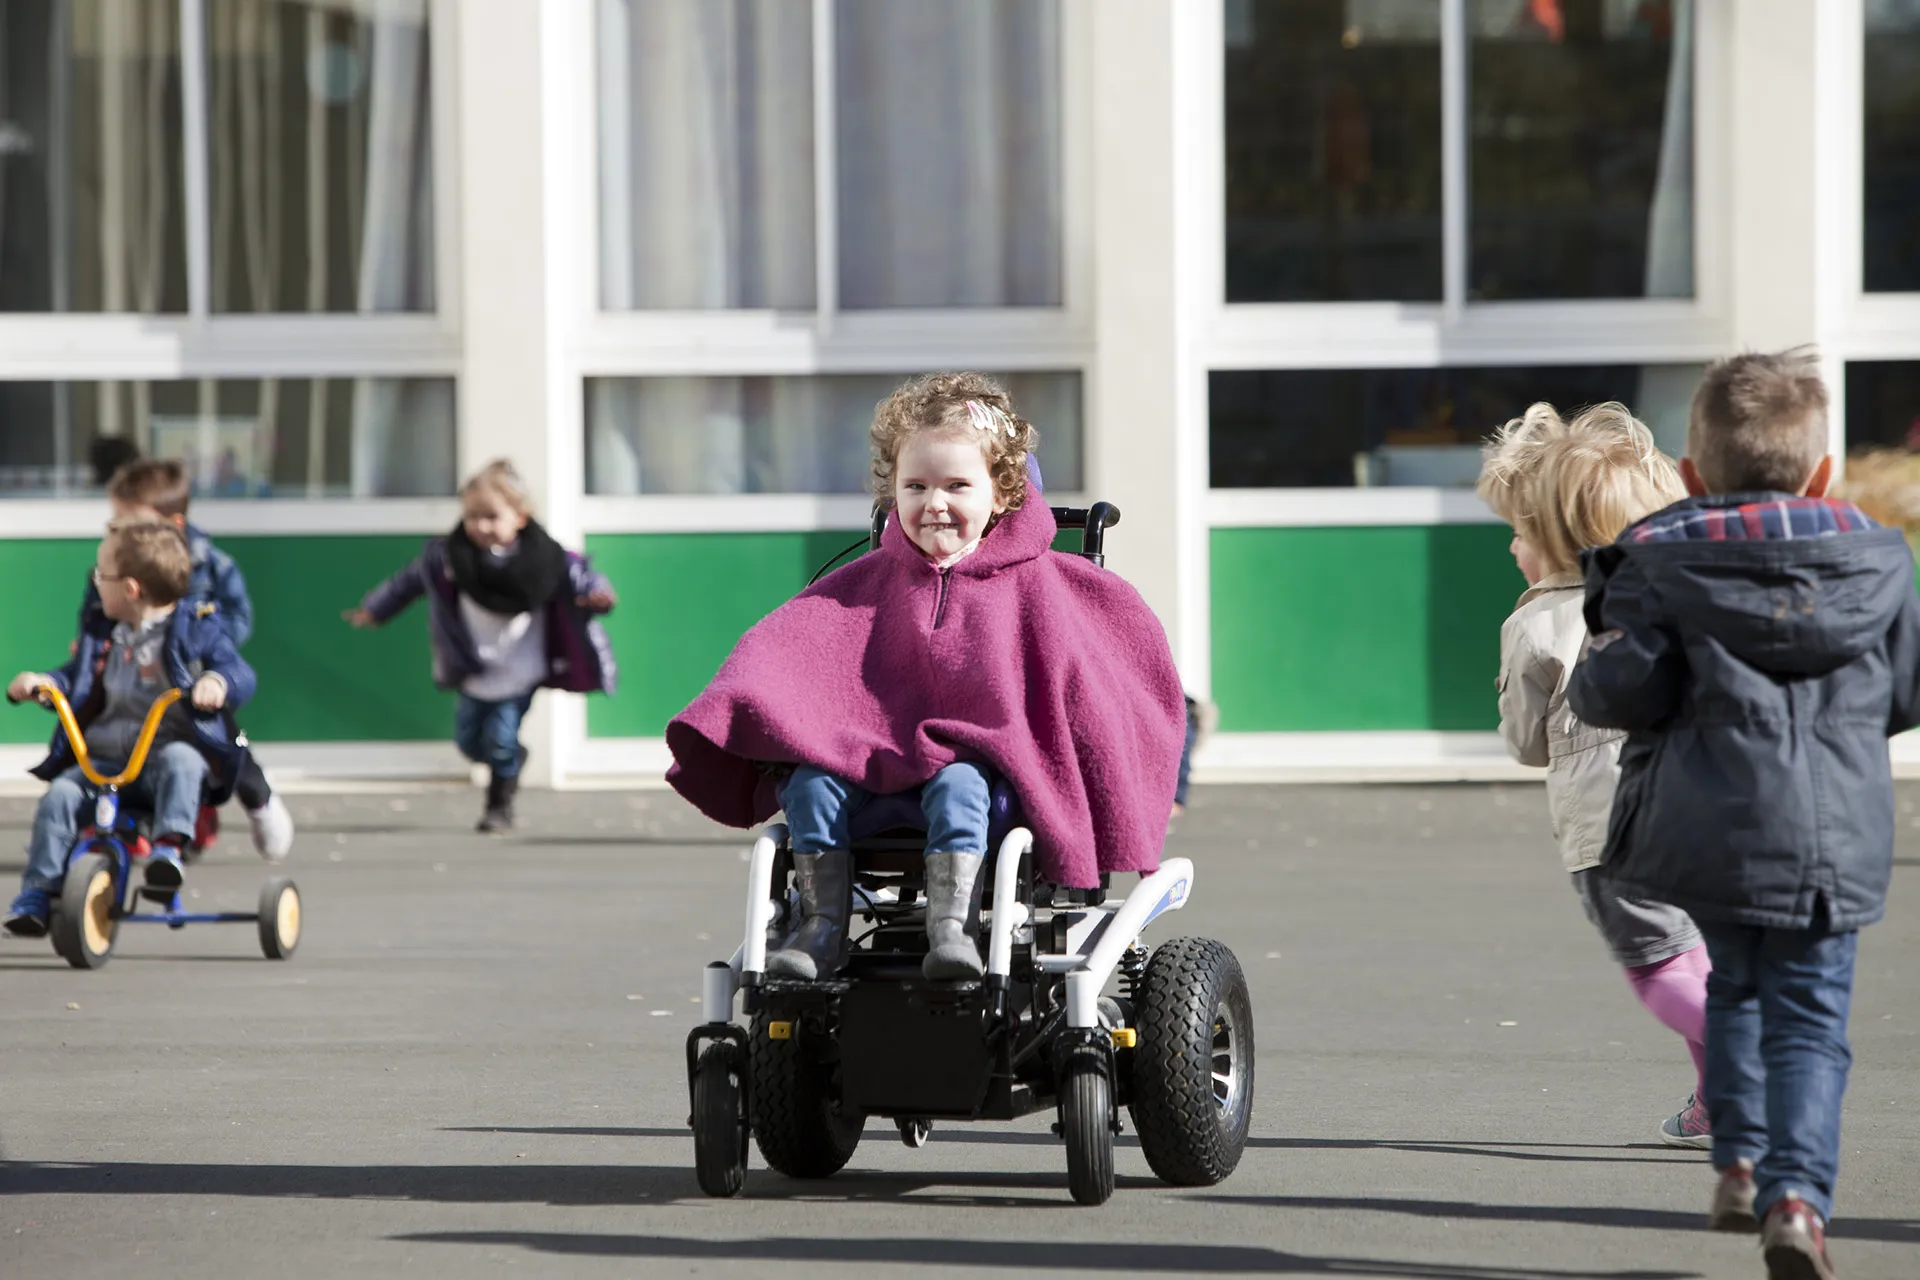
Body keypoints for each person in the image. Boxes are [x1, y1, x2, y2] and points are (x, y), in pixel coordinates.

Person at [1569, 348, 1920, 1280]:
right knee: (1810, 1018)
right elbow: (1907, 692)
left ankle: (1734, 1160)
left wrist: (1599, 641)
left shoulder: (1658, 560)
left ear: (1689, 474)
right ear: (1822, 472)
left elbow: (1620, 692)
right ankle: (1795, 1199)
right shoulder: (1876, 558)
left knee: (1732, 988)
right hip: (1832, 836)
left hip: (1705, 827)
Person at [664, 372, 1186, 982]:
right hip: (871, 765)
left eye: (957, 485)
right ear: (893, 493)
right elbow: (789, 649)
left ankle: (952, 929)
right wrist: (745, 704)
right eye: (915, 486)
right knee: (808, 783)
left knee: (959, 783)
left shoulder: (1036, 586)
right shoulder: (866, 584)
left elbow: (1099, 670)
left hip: (983, 775)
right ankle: (822, 928)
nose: (934, 502)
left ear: (1003, 493)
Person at [1479, 401, 1710, 1147]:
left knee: (1656, 968)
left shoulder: (1536, 624)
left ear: (1555, 541)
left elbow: (1525, 744)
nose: (1512, 546)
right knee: (1694, 955)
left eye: (1519, 532)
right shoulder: (1670, 598)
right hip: (1698, 806)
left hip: (1608, 829)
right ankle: (1722, 1098)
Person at [4, 520, 255, 936]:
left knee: (183, 759)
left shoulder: (196, 627)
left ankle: (168, 850)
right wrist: (45, 684)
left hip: (157, 764)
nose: (95, 583)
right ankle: (38, 891)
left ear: (131, 589)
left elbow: (238, 670)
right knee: (61, 795)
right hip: (102, 760)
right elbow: (77, 677)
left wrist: (217, 682)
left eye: (101, 575)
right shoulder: (104, 634)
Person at [345, 460, 618, 833]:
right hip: (474, 668)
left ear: (520, 517)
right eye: (472, 516)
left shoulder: (545, 558)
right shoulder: (449, 558)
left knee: (501, 738)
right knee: (469, 743)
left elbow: (582, 574)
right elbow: (409, 582)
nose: (481, 526)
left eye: (492, 516)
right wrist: (376, 609)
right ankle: (512, 760)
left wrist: (598, 594)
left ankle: (499, 806)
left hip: (521, 668)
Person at [89, 459, 293, 860]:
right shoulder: (113, 567)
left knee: (223, 744)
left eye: (132, 523)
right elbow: (95, 616)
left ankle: (259, 798)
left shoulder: (210, 562)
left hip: (192, 678)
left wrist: (208, 651)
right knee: (105, 739)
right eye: (117, 521)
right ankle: (108, 825)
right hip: (136, 676)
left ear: (173, 523)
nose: (122, 533)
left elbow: (238, 616)